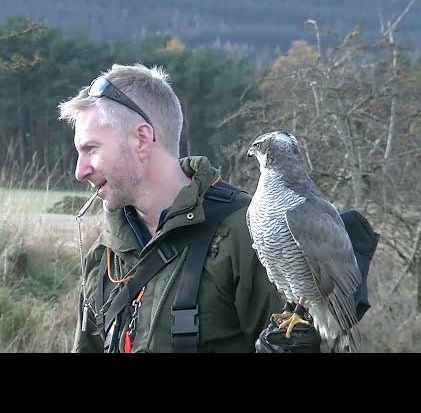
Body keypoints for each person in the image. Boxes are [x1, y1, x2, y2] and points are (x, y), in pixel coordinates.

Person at [58, 63, 321, 353]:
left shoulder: (249, 233)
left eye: (91, 149)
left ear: (142, 139)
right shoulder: (104, 256)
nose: (80, 171)